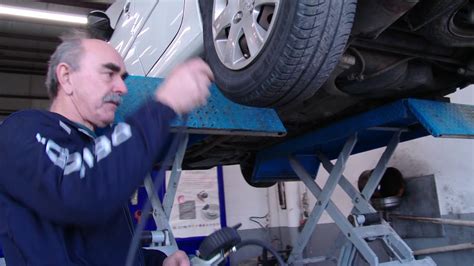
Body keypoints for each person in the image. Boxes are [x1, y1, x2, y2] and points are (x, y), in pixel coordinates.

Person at [0, 30, 213, 265]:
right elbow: (77, 193)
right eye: (109, 74)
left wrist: (157, 262)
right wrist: (164, 104)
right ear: (67, 77)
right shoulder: (22, 129)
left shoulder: (98, 154)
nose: (122, 87)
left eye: (122, 77)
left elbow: (106, 248)